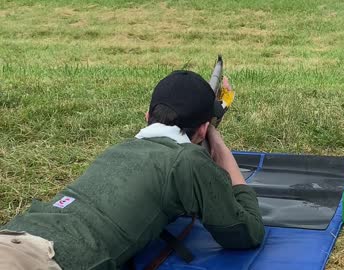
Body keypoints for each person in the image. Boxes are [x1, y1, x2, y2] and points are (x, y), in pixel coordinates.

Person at [0, 70, 265, 270]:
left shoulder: (119, 150)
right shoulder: (187, 160)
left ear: (147, 117)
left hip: (14, 235)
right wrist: (218, 147)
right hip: (44, 260)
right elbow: (246, 232)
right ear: (204, 130)